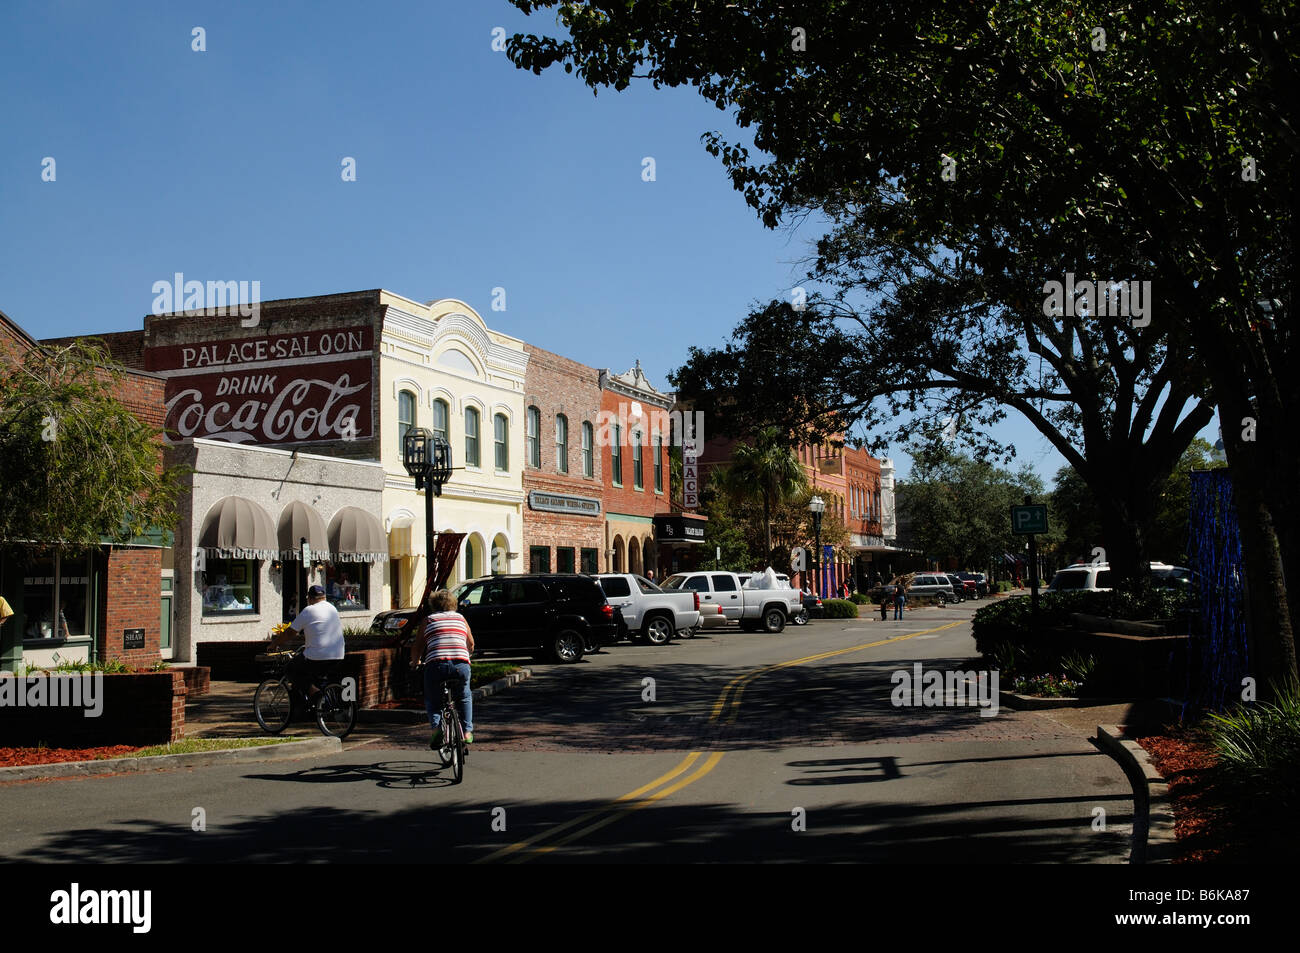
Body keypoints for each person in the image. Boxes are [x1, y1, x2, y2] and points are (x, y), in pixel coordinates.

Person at [269, 584, 345, 705]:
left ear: (309, 598)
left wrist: (274, 644)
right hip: (338, 654)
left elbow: (290, 633)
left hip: (317, 656)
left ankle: (314, 693)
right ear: (324, 597)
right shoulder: (332, 609)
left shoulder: (309, 610)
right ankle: (315, 705)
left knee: (290, 669)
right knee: (313, 676)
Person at [418, 588, 475, 748]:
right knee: (464, 696)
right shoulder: (461, 618)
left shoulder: (428, 620)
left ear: (433, 605)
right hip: (460, 664)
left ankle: (436, 730)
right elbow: (470, 643)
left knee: (432, 699)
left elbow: (417, 647)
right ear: (453, 603)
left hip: (436, 665)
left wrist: (414, 662)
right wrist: (467, 654)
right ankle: (467, 732)